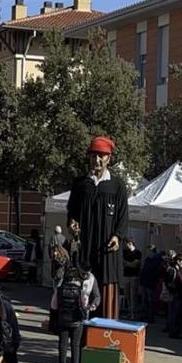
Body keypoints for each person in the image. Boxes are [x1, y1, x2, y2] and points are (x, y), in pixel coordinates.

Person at [66, 136, 128, 320]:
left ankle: (105, 338)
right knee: (83, 296)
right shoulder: (80, 184)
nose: (97, 160)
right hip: (85, 252)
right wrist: (72, 223)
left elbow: (124, 217)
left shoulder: (117, 186)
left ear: (109, 158)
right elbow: (72, 212)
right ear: (89, 157)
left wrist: (117, 236)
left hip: (107, 255)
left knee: (106, 297)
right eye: (94, 156)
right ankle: (80, 340)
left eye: (102, 156)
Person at [52, 264, 99, 363]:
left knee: (63, 343)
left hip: (63, 319)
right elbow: (83, 305)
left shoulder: (59, 290)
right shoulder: (80, 291)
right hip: (77, 321)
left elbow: (54, 306)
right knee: (75, 344)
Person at [164, 254, 182, 338]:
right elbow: (168, 283)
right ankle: (173, 332)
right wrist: (173, 291)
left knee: (176, 313)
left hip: (178, 294)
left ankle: (175, 331)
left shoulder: (179, 270)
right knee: (174, 314)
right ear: (178, 261)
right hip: (175, 295)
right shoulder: (173, 270)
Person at [138, 246, 165, 323]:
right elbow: (144, 270)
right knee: (145, 301)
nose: (147, 253)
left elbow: (153, 271)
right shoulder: (148, 259)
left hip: (151, 283)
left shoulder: (156, 260)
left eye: (148, 251)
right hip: (146, 282)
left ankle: (150, 317)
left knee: (150, 301)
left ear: (152, 251)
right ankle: (145, 315)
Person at [122, 239, 142, 318]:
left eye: (125, 244)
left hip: (134, 276)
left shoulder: (137, 253)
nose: (124, 245)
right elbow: (122, 262)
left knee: (133, 296)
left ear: (130, 243)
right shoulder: (125, 252)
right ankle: (129, 312)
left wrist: (126, 263)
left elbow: (135, 265)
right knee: (127, 295)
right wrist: (129, 263)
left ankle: (133, 314)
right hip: (126, 276)